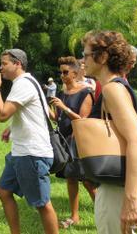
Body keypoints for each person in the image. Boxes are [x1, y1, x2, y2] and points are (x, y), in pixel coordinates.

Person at [82, 31, 137, 234]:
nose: (82, 60)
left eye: (85, 55)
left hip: (118, 188)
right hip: (118, 183)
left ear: (102, 57)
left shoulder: (113, 89)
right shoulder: (114, 87)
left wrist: (131, 200)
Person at [0, 48, 59, 234]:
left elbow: (2, 114)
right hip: (20, 151)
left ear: (17, 63)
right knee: (3, 191)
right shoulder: (28, 82)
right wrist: (12, 128)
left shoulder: (23, 84)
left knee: (42, 204)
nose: (0, 68)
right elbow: (35, 113)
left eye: (4, 64)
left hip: (32, 153)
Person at [48, 56, 96, 229]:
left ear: (75, 73)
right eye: (60, 72)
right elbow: (57, 118)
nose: (62, 75)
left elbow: (83, 120)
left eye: (65, 72)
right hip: (64, 141)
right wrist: (47, 109)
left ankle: (104, 211)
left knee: (87, 180)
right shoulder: (61, 93)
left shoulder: (85, 93)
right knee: (70, 178)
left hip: (79, 142)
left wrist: (64, 107)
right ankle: (74, 216)